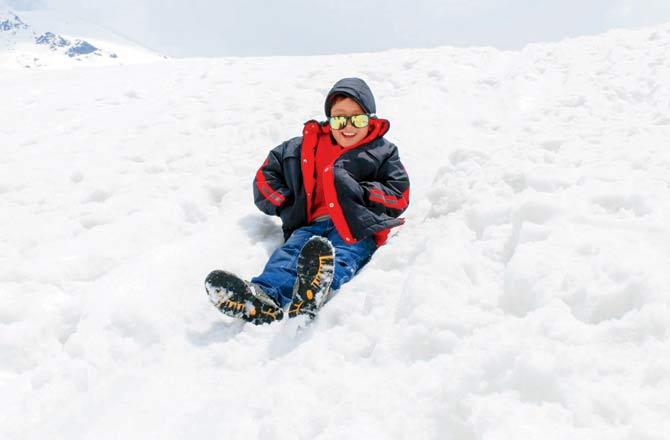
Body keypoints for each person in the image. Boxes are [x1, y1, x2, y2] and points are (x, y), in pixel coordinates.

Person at [205, 78, 410, 324]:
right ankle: (262, 297)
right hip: (310, 224)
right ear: (329, 119)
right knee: (288, 256)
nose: (348, 126)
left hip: (356, 225)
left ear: (370, 119)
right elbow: (264, 178)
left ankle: (315, 289)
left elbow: (399, 193)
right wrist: (287, 202)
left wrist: (364, 193)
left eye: (358, 118)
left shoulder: (382, 152)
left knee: (342, 254)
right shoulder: (303, 147)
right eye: (339, 118)